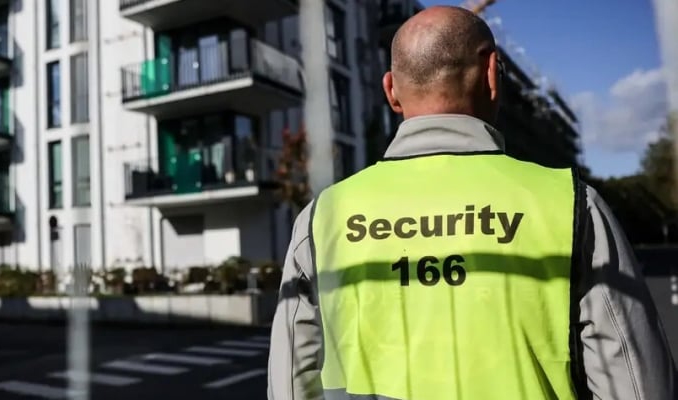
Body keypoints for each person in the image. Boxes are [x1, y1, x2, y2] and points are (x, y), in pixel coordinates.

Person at [268, 5, 676, 400]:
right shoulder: (571, 206)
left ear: (391, 91)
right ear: (491, 74)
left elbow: (290, 385)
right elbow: (640, 387)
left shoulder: (321, 221)